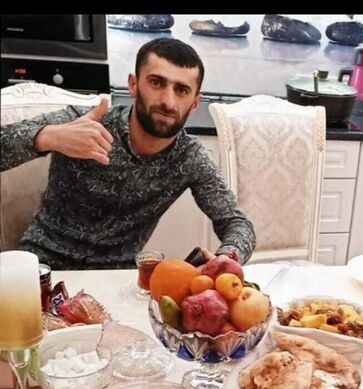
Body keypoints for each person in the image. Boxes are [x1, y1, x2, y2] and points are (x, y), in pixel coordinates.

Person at [1, 38, 255, 270]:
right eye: (156, 83)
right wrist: (48, 137)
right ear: (133, 85)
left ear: (195, 102)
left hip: (118, 281)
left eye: (181, 90)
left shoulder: (190, 157)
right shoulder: (86, 121)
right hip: (41, 269)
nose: (168, 102)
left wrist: (227, 257)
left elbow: (237, 223)